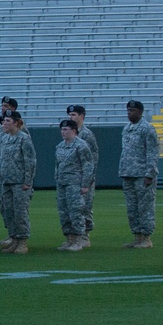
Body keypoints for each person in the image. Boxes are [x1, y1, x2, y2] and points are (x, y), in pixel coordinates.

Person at [119, 99, 158, 249]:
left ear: (140, 112)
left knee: (145, 207)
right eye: (128, 111)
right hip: (128, 172)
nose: (130, 113)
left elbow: (152, 152)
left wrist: (150, 173)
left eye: (133, 111)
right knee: (132, 207)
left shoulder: (147, 129)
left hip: (142, 174)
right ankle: (137, 236)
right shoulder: (127, 128)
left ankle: (146, 238)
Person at [0, 111, 36, 254]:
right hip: (6, 181)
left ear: (16, 123)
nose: (4, 124)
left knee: (20, 212)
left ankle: (22, 241)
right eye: (3, 121)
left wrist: (27, 181)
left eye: (7, 121)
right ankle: (14, 239)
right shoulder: (5, 138)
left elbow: (30, 162)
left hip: (19, 182)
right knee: (9, 212)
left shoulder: (24, 139)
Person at [55, 118, 94, 252]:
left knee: (76, 212)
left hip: (75, 184)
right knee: (64, 212)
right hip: (62, 184)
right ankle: (69, 239)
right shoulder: (60, 146)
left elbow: (88, 165)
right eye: (62, 129)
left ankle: (78, 240)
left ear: (74, 131)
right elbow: (57, 165)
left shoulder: (81, 145)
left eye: (66, 129)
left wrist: (85, 184)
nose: (63, 132)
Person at [68, 105, 98, 248]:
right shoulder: (69, 133)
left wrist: (88, 179)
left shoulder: (86, 135)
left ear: (82, 116)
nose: (71, 117)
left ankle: (85, 235)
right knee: (72, 208)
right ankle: (73, 236)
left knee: (85, 207)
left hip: (84, 178)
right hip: (72, 178)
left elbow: (93, 159)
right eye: (70, 115)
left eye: (74, 114)